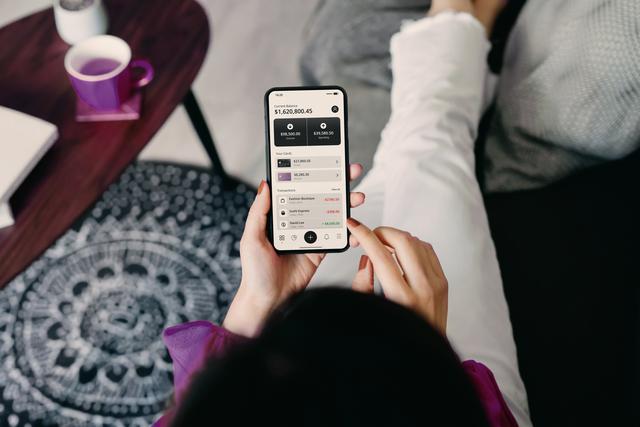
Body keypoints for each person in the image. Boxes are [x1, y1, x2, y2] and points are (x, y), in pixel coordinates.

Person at [154, 0, 532, 425]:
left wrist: (256, 302)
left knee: (395, 171)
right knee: (426, 146)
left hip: (340, 342)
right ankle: (463, 17)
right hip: (436, 393)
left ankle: (460, 27)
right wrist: (425, 349)